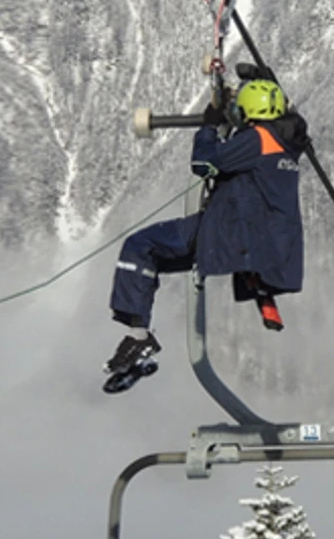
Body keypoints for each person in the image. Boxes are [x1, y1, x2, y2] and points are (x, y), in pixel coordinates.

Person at [105, 77, 307, 382]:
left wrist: (209, 127)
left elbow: (205, 163)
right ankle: (138, 342)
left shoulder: (258, 139)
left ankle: (138, 335)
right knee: (151, 255)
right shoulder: (287, 144)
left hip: (230, 233)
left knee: (140, 246)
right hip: (257, 240)